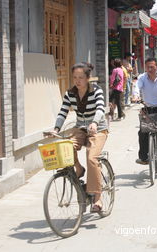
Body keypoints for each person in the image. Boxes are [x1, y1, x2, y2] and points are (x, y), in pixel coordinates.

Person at [52, 62, 108, 211]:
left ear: (88, 78)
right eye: (75, 77)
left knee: (91, 158)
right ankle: (78, 168)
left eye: (81, 77)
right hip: (80, 128)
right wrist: (56, 128)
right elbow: (63, 112)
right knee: (66, 147)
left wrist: (95, 123)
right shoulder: (70, 93)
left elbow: (101, 109)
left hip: (99, 129)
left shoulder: (96, 91)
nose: (77, 81)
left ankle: (98, 198)